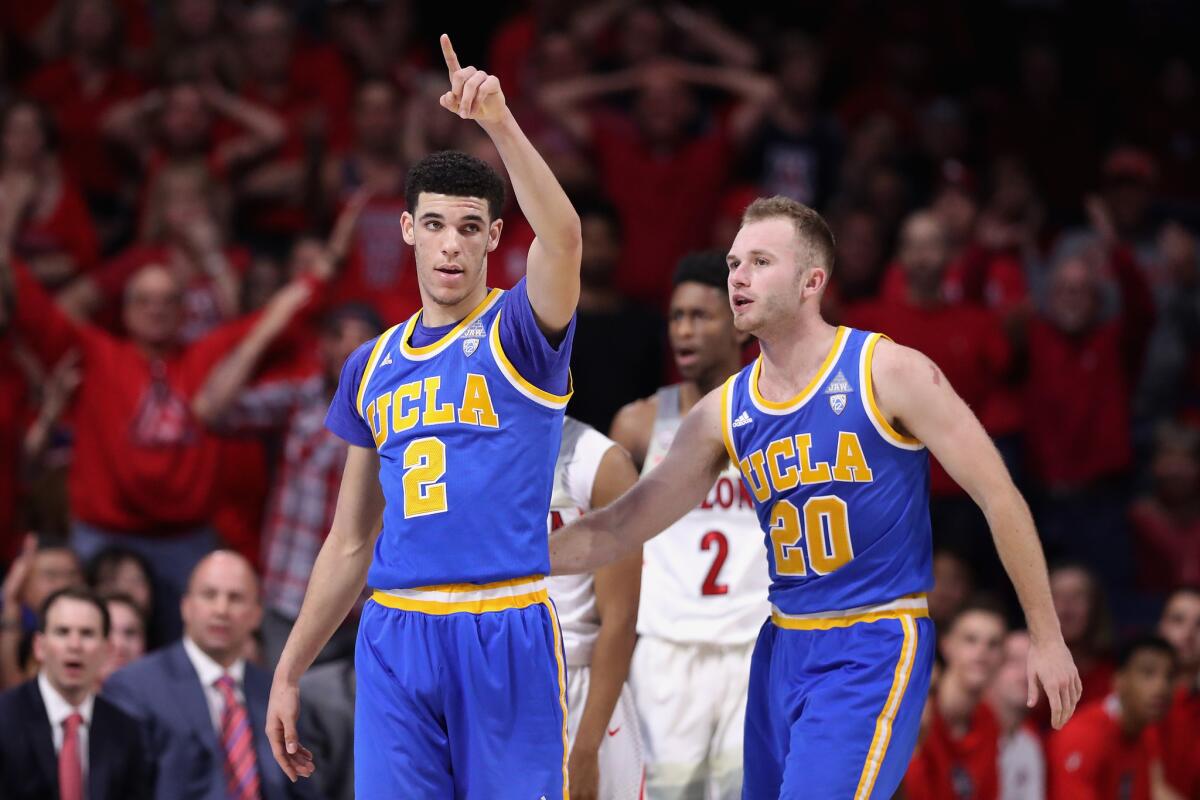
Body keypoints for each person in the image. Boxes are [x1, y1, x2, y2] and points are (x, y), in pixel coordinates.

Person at [550, 196, 1080, 798]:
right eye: (732, 264)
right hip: (780, 643)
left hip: (872, 640)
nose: (738, 278)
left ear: (812, 281)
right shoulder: (727, 409)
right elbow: (623, 526)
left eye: (759, 262)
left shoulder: (886, 370)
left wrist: (1046, 635)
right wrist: (506, 554)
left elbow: (998, 495)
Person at [266, 35, 582, 799]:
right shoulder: (370, 366)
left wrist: (500, 123)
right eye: (435, 224)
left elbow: (565, 238)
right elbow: (348, 541)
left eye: (470, 228)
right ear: (407, 229)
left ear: (494, 240)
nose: (451, 244)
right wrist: (289, 669)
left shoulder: (519, 333)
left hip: (502, 623)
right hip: (395, 630)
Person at [609, 249, 768, 798]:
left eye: (701, 316)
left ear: (740, 325)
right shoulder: (638, 424)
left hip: (754, 643)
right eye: (677, 317)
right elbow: (615, 547)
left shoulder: (781, 418)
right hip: (666, 648)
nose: (685, 330)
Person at [104, 550, 308, 800]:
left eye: (235, 598)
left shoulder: (276, 691)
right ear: (185, 607)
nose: (221, 609)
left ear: (257, 615)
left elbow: (304, 787)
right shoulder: (135, 686)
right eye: (209, 595)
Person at [548, 416, 644, 800]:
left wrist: (585, 748)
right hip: (494, 684)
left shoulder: (601, 462)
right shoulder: (469, 453)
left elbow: (620, 622)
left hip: (578, 687)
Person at [0, 587, 148, 799]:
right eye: (62, 632)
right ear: (39, 647)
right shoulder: (5, 718)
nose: (75, 645)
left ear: (106, 650)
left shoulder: (125, 731)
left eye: (87, 633)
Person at [1047, 636, 1176, 800]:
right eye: (1148, 673)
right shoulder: (1083, 735)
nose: (1162, 687)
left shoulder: (1147, 732)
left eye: (1169, 677)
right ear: (1119, 681)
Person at [903, 601, 1006, 800]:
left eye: (993, 644)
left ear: (1003, 656)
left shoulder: (989, 720)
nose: (982, 651)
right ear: (947, 645)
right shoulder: (915, 702)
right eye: (970, 640)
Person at [988, 631, 1046, 800]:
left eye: (1033, 664)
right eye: (1013, 661)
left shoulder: (1030, 746)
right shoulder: (964, 731)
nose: (1025, 674)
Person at [1155, 585, 1200, 797]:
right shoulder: (1130, 696)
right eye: (1178, 620)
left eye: (1199, 624)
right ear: (1160, 627)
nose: (1189, 633)